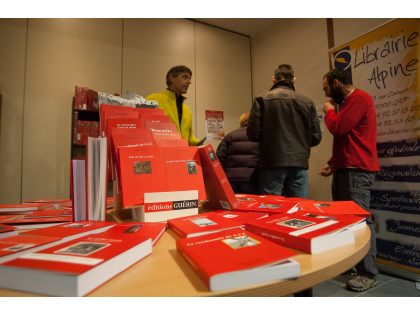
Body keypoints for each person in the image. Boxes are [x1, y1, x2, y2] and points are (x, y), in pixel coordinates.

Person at [320, 68, 380, 292]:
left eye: (326, 87)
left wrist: (328, 112)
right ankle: (354, 265)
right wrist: (334, 164)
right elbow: (348, 140)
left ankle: (368, 274)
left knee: (361, 222)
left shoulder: (359, 99)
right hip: (347, 170)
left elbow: (338, 128)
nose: (325, 94)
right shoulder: (347, 103)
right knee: (346, 222)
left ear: (336, 82)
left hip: (357, 171)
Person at [247, 64, 322, 198]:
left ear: (273, 79)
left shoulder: (261, 99)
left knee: (272, 209)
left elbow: (253, 134)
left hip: (272, 162)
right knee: (299, 209)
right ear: (294, 79)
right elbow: (316, 137)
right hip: (299, 163)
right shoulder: (307, 102)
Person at [146, 65, 202, 146]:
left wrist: (199, 143)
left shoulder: (186, 109)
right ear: (172, 78)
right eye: (185, 77)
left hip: (182, 155)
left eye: (189, 79)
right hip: (161, 155)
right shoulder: (153, 100)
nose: (189, 82)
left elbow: (190, 138)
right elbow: (144, 130)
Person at [216, 112, 259, 194]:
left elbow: (219, 158)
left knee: (234, 205)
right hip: (252, 178)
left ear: (241, 122)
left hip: (231, 179)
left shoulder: (230, 136)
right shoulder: (259, 136)